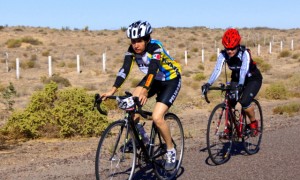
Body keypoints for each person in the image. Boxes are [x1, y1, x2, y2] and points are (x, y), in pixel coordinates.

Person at [101, 20, 182, 170]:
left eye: (139, 41)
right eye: (133, 41)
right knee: (131, 105)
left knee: (157, 117)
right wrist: (112, 90)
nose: (135, 45)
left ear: (147, 39)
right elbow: (124, 69)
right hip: (152, 80)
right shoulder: (131, 50)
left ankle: (170, 150)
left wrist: (145, 90)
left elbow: (153, 69)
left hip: (170, 80)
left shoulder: (155, 48)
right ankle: (142, 140)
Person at [201, 28, 263, 135]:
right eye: (227, 48)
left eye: (232, 48)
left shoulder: (245, 54)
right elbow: (217, 70)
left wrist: (240, 85)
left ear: (238, 45)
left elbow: (243, 71)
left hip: (252, 78)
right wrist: (208, 83)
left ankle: (253, 124)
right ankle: (229, 127)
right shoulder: (223, 54)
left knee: (244, 102)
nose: (229, 51)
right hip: (236, 78)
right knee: (230, 102)